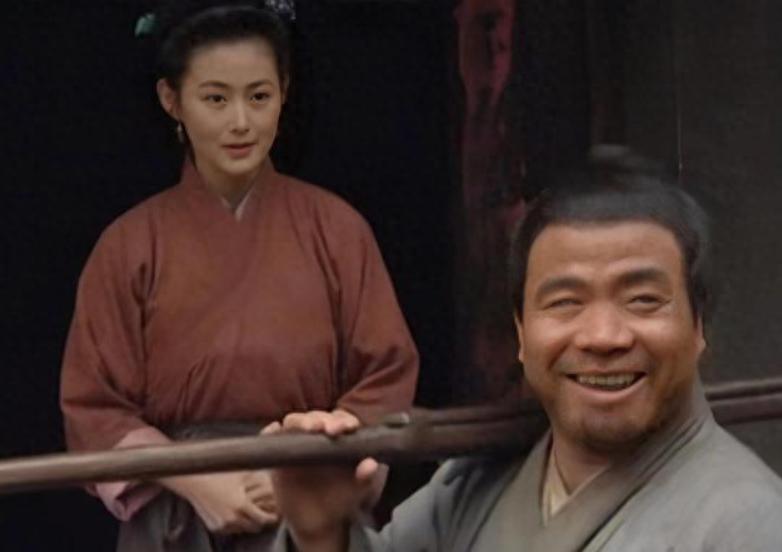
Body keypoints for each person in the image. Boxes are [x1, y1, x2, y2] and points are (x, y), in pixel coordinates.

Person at [267, 152, 782, 551]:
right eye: (565, 302)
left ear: (698, 325)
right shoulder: (474, 486)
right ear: (520, 331)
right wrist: (321, 532)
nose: (603, 336)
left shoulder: (749, 524)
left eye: (642, 300)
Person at [59, 2, 418, 550]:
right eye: (215, 99)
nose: (241, 122)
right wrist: (195, 477)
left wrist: (300, 471)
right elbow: (95, 407)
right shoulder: (128, 246)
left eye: (259, 96)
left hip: (308, 499)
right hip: (177, 515)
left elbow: (385, 377)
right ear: (171, 99)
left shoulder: (337, 229)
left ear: (284, 93)